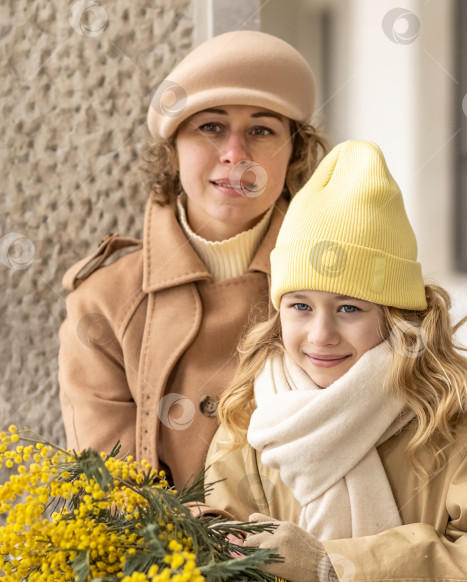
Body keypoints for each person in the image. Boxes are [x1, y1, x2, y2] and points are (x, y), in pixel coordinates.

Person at [204, 140, 467, 582]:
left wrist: (328, 568)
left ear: (395, 315)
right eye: (300, 305)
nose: (320, 335)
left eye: (349, 307)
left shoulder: (449, 413)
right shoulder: (251, 413)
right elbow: (228, 556)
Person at [58, 30, 328, 488]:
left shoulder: (342, 280)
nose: (235, 156)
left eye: (261, 130)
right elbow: (111, 502)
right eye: (211, 127)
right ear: (173, 148)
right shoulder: (102, 304)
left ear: (295, 152)